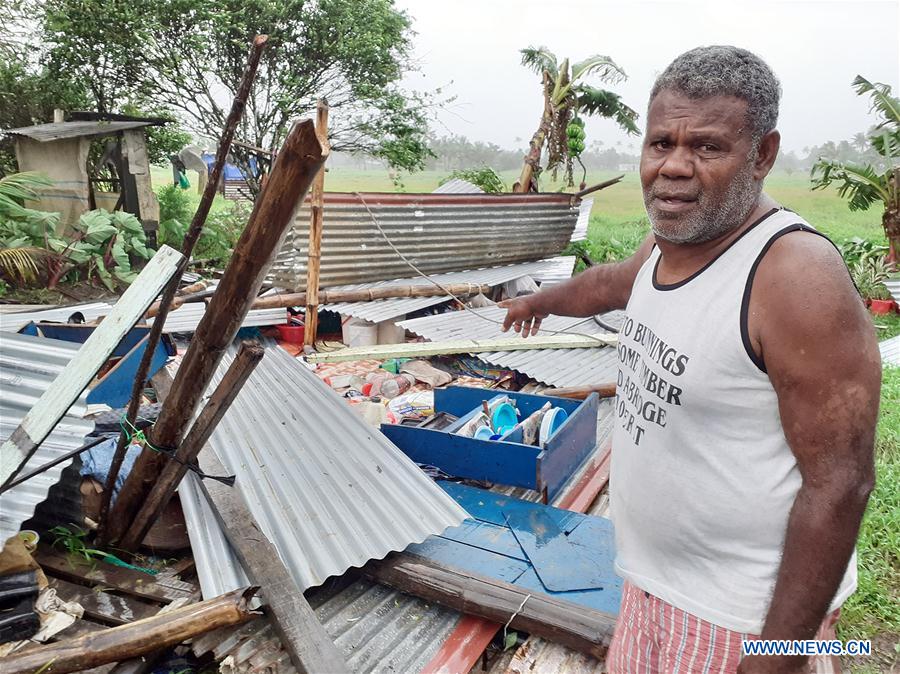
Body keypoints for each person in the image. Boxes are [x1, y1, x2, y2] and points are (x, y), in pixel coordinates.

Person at [500, 46, 880, 674]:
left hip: (738, 622)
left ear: (761, 154)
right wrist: (539, 301)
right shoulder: (667, 242)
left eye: (706, 147)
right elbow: (611, 284)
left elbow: (841, 483)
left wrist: (777, 660)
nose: (673, 168)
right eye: (660, 144)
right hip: (649, 590)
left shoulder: (792, 278)